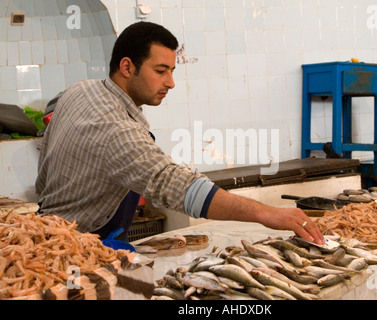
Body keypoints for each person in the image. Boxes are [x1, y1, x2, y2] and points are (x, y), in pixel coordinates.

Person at [35, 22, 324, 245]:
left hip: (43, 229)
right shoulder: (116, 131)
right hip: (74, 249)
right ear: (126, 67)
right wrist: (268, 214)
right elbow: (176, 185)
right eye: (161, 71)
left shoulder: (79, 90)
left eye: (172, 70)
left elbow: (44, 171)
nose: (171, 82)